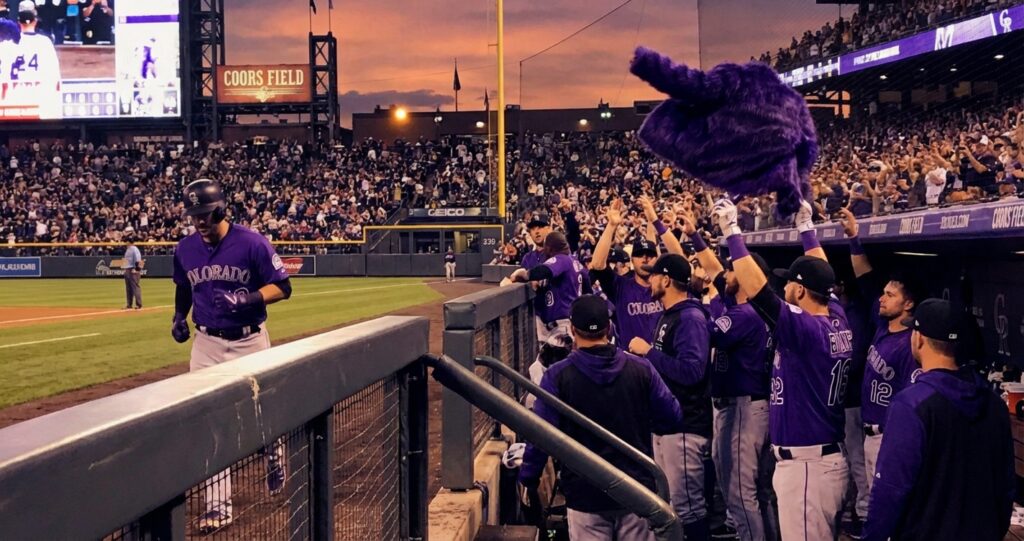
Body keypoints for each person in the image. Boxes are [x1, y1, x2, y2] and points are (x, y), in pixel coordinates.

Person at [714, 198, 852, 541]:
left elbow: (758, 291)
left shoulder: (806, 329)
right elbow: (823, 273)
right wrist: (807, 228)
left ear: (801, 289)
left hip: (808, 466)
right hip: (820, 460)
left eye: (789, 282)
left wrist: (732, 233)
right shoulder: (835, 316)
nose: (784, 286)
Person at [170, 179, 294, 534]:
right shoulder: (186, 248)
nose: (199, 222)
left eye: (206, 214)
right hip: (206, 343)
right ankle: (218, 506)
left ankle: (273, 453)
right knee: (209, 420)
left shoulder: (251, 242)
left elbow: (284, 287)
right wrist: (179, 318)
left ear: (222, 209)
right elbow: (183, 287)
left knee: (261, 414)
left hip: (249, 341)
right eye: (194, 215)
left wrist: (249, 299)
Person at [518, 294, 683, 541]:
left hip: (585, 493)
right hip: (635, 491)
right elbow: (672, 417)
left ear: (573, 329)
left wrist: (529, 477)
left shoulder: (558, 375)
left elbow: (541, 436)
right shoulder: (641, 368)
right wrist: (641, 421)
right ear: (609, 328)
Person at [864, 299, 1014, 541]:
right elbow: (1005, 488)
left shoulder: (912, 404)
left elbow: (890, 491)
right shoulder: (994, 404)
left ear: (919, 338)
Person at [683, 212, 779, 541]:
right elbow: (714, 270)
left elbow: (709, 332)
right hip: (750, 406)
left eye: (735, 269)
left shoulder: (746, 313)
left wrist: (706, 301)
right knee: (758, 491)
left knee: (740, 492)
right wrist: (695, 237)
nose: (728, 273)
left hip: (742, 409)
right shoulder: (749, 307)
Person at [627, 253, 712, 541]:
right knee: (672, 506)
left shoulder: (690, 317)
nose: (648, 279)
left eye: (653, 275)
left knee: (688, 509)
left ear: (666, 279)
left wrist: (648, 352)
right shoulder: (671, 314)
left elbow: (692, 372)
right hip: (668, 424)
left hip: (686, 426)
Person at [839, 208, 921, 502]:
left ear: (908, 304)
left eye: (891, 295)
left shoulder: (912, 345)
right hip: (870, 432)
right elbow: (866, 280)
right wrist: (854, 240)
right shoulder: (882, 324)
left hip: (890, 436)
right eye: (884, 293)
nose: (882, 298)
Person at [590, 196, 684, 347]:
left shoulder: (666, 285)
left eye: (650, 255)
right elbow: (598, 264)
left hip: (663, 361)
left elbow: (680, 258)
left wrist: (654, 220)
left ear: (657, 259)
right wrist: (611, 225)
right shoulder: (620, 286)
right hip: (630, 362)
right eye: (639, 255)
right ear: (632, 260)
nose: (645, 259)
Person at [509, 231, 589, 384]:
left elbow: (543, 270)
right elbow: (588, 291)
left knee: (540, 371)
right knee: (559, 374)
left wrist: (524, 275)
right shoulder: (576, 263)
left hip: (562, 327)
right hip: (564, 325)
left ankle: (546, 405)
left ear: (551, 248)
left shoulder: (562, 259)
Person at [6, 1, 61, 119]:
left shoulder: (6, 45)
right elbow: (55, 78)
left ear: (17, 22)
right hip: (38, 102)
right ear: (35, 21)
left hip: (13, 102)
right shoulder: (45, 43)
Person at [122, 235, 143, 310]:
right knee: (128, 288)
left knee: (135, 287)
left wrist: (137, 269)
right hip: (127, 269)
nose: (125, 242)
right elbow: (126, 260)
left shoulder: (134, 249)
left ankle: (139, 304)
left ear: (129, 241)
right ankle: (129, 304)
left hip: (133, 269)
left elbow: (138, 259)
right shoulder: (128, 249)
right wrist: (124, 268)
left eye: (126, 241)